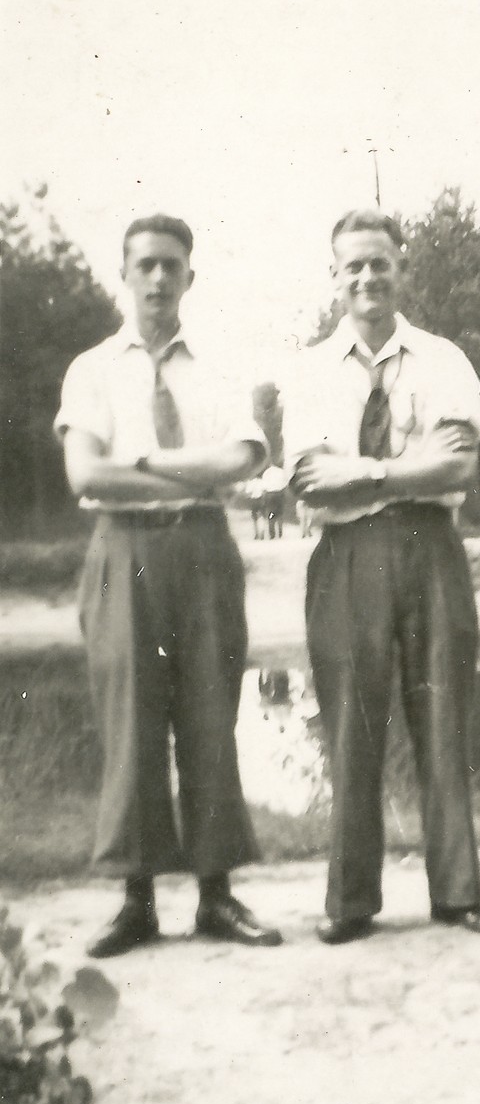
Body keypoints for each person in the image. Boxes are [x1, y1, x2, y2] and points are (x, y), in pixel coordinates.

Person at [57, 214, 282, 957]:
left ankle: (217, 895)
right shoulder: (93, 370)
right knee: (132, 723)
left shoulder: (217, 366)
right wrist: (189, 469)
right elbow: (84, 474)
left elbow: (242, 459)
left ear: (190, 276)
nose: (158, 277)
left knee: (211, 718)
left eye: (172, 265)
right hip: (122, 552)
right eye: (146, 264)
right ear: (124, 274)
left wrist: (144, 464)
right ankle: (137, 901)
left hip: (203, 550)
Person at [282, 208, 480, 943]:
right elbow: (310, 480)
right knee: (351, 730)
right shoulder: (309, 369)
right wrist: (407, 467)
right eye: (354, 265)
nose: (368, 276)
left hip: (431, 549)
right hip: (346, 556)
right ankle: (350, 902)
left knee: (443, 722)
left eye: (380, 262)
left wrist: (365, 473)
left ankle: (458, 893)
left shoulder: (443, 360)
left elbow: (458, 466)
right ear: (334, 276)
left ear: (401, 268)